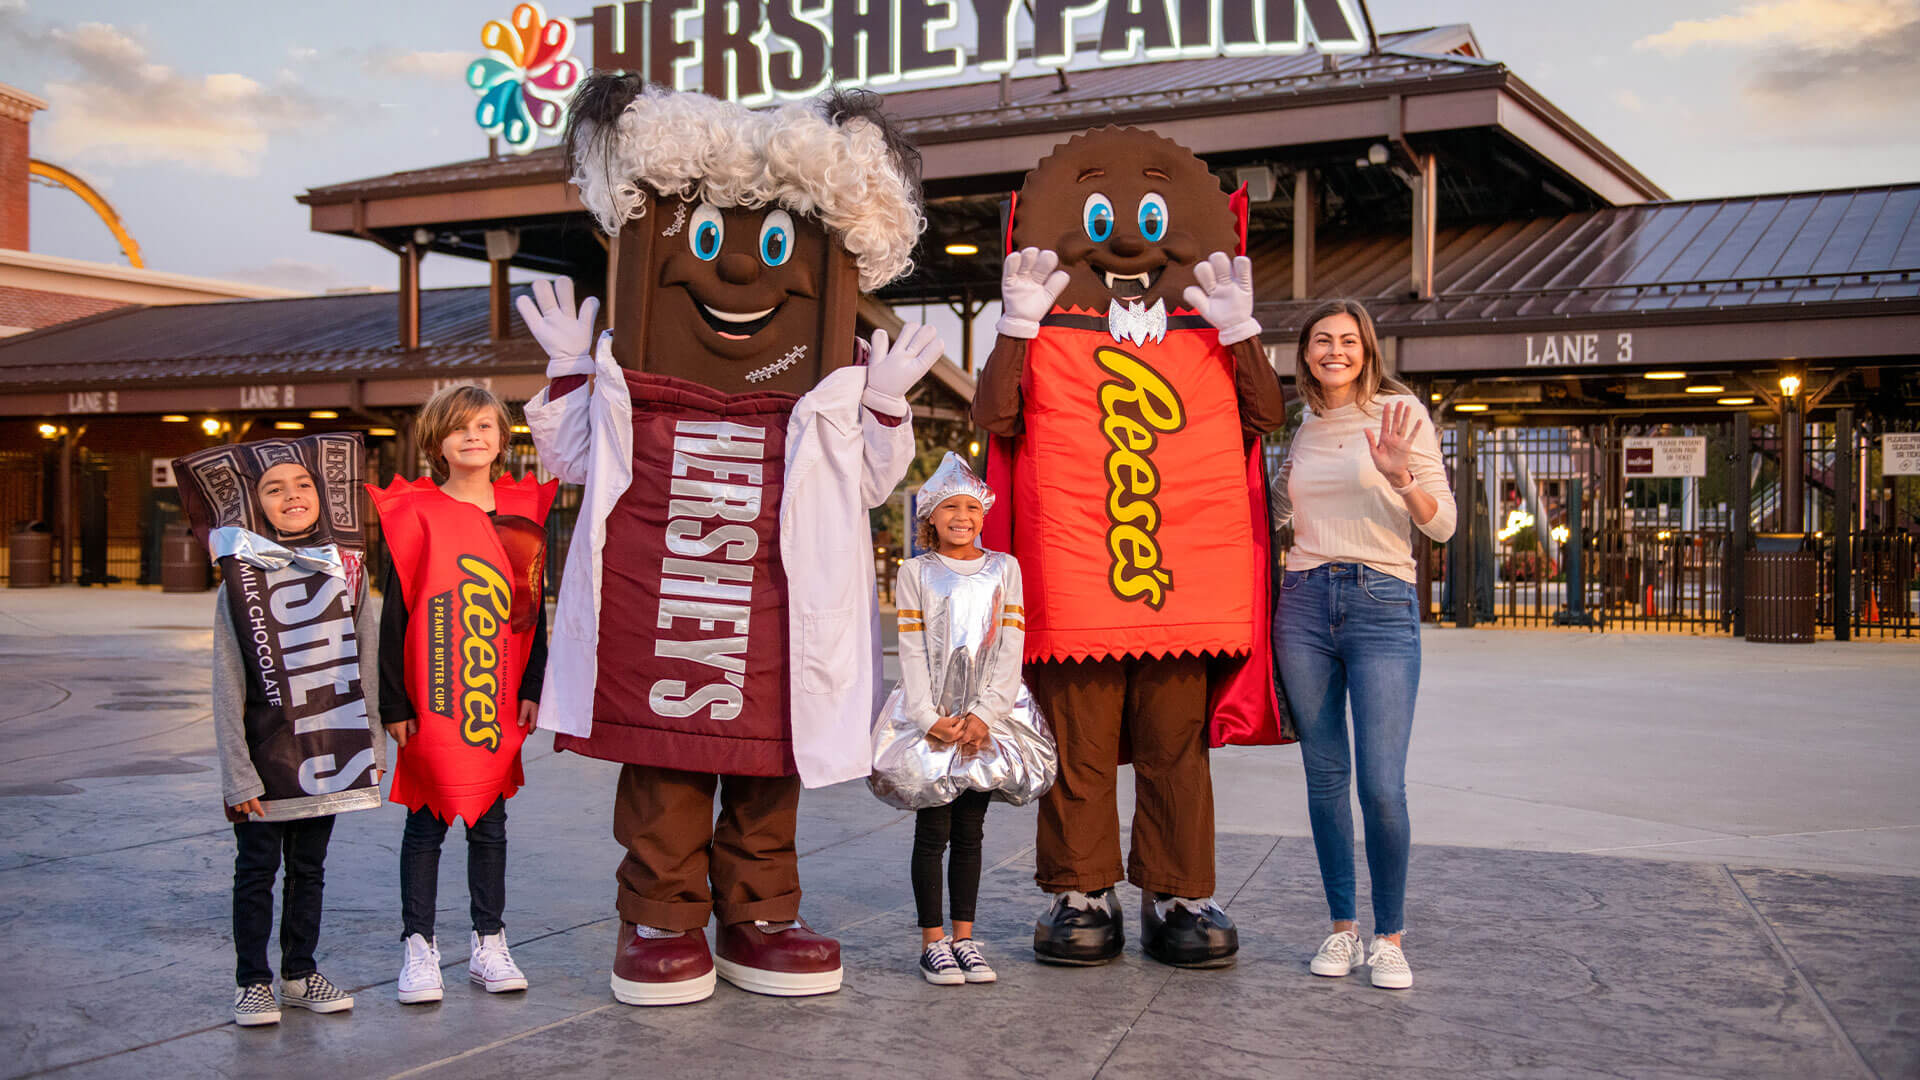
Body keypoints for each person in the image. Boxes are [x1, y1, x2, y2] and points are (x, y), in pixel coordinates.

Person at [515, 78, 939, 1007]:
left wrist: (884, 402)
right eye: (707, 238)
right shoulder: (634, 372)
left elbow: (872, 480)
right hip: (663, 606)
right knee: (665, 763)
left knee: (763, 769)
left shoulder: (826, 384)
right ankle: (661, 916)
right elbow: (576, 461)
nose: (743, 270)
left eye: (777, 244)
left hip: (776, 617)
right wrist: (565, 375)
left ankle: (761, 915)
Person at [1270, 299, 1456, 990]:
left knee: (1382, 786)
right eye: (1323, 340)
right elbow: (1283, 511)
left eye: (1348, 340)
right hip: (1306, 604)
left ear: (1367, 349)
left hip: (1381, 601)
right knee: (1325, 780)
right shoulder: (1303, 425)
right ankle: (1343, 928)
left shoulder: (1400, 415)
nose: (1335, 350)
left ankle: (1390, 936)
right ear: (1308, 354)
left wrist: (1399, 474)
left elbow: (1443, 528)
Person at [175, 434, 386, 1027]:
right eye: (274, 488)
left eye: (303, 485)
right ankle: (253, 982)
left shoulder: (348, 571)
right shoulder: (238, 582)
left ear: (322, 496)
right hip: (265, 760)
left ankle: (299, 972)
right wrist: (237, 771)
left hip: (330, 748)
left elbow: (366, 662)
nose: (292, 495)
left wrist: (370, 743)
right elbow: (227, 684)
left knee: (311, 869)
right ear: (255, 505)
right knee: (257, 870)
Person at [370, 384, 555, 1004]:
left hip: (495, 692)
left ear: (503, 440)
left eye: (485, 426)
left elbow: (535, 610)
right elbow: (395, 614)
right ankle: (418, 948)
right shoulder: (415, 513)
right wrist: (394, 701)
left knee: (490, 822)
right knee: (424, 822)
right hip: (432, 695)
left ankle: (488, 942)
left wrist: (534, 683)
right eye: (459, 428)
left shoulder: (523, 513)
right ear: (436, 442)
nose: (474, 436)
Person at [890, 453, 1026, 986]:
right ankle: (933, 942)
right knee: (933, 830)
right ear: (931, 516)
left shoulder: (1005, 568)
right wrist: (928, 717)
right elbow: (911, 647)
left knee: (972, 831)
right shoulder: (915, 572)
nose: (961, 516)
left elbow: (1012, 642)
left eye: (971, 506)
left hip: (985, 721)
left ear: (984, 514)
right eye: (950, 507)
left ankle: (965, 938)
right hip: (937, 721)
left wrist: (987, 713)